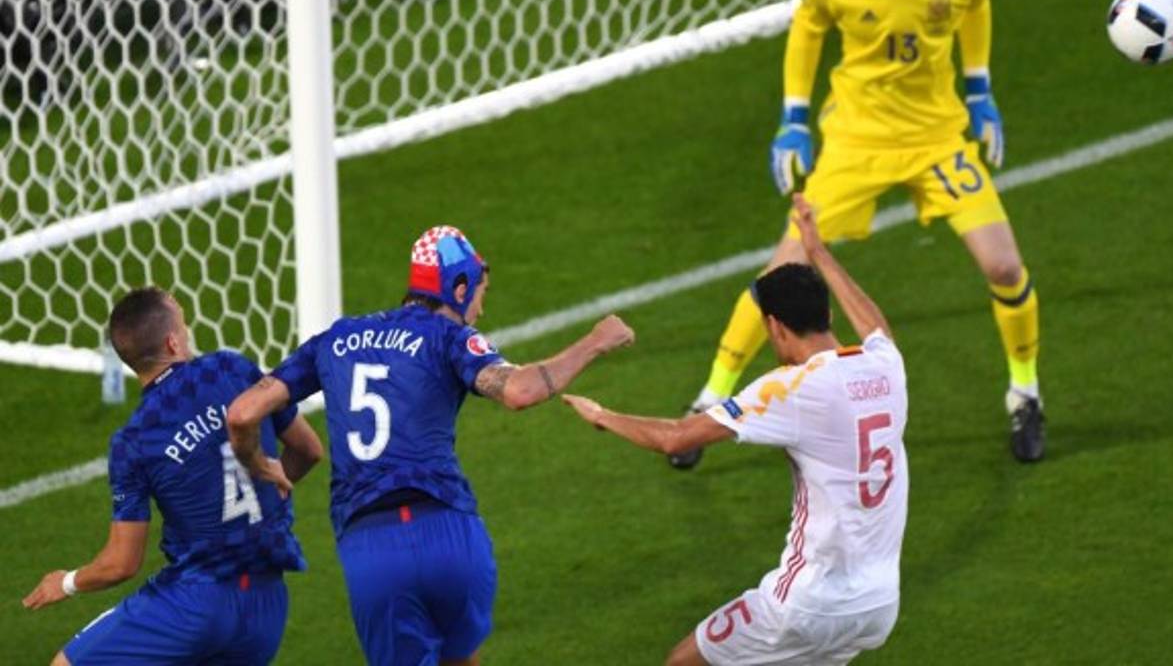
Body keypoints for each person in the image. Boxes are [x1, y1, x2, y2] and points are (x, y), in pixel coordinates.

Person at [675, 0, 1042, 469]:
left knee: (1004, 265)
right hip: (855, 143)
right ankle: (711, 398)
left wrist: (979, 89)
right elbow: (807, 28)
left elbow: (977, 6)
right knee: (781, 271)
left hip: (936, 139)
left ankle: (1024, 394)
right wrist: (794, 118)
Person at [226, 225, 635, 666]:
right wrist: (596, 341)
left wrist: (260, 465)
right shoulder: (449, 338)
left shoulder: (334, 339)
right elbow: (520, 390)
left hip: (371, 550)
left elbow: (243, 414)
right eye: (480, 293)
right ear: (459, 288)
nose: (480, 308)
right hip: (450, 536)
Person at [566, 195, 908, 665]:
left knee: (681, 663)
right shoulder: (885, 366)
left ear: (774, 326)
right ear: (827, 315)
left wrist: (602, 415)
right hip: (878, 606)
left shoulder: (791, 388)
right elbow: (875, 326)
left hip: (808, 603)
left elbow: (676, 437)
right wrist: (819, 251)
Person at [22, 287, 323, 665]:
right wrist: (274, 482)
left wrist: (66, 582)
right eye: (183, 323)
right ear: (172, 341)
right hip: (266, 606)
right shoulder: (233, 369)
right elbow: (310, 449)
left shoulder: (135, 439)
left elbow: (122, 563)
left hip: (194, 604)